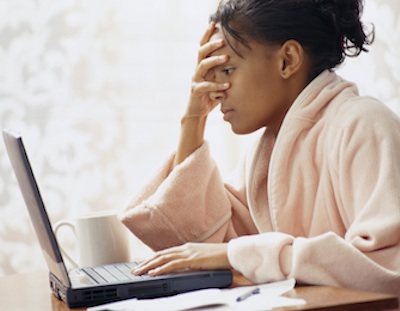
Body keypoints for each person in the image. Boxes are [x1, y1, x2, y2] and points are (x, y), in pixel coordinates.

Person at [120, 0, 400, 295]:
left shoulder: (364, 125)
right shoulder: (266, 152)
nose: (216, 92)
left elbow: (387, 265)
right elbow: (200, 247)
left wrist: (237, 255)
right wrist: (193, 119)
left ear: (287, 60)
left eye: (226, 70)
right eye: (210, 74)